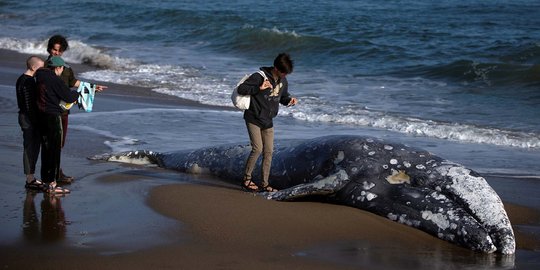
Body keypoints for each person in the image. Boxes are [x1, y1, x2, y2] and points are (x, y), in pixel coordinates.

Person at [46, 35, 107, 183]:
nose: (57, 53)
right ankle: (52, 175)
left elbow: (73, 82)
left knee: (60, 143)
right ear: (49, 49)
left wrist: (92, 88)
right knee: (49, 143)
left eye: (60, 51)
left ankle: (56, 172)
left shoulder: (66, 69)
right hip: (48, 111)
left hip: (64, 111)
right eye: (55, 50)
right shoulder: (43, 68)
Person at [236, 53, 298, 192]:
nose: (285, 75)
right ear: (276, 68)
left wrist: (289, 101)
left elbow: (282, 97)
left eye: (286, 73)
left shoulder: (283, 81)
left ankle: (264, 183)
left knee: (269, 152)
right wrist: (259, 88)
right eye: (283, 72)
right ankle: (246, 180)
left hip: (268, 120)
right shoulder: (259, 76)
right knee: (257, 149)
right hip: (254, 117)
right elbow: (242, 89)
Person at [35, 56, 79, 194]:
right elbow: (69, 97)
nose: (62, 70)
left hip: (41, 117)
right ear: (58, 68)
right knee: (54, 151)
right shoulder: (54, 79)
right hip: (53, 117)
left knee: (46, 150)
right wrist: (79, 93)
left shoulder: (39, 77)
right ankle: (52, 185)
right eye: (62, 68)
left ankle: (45, 182)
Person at [16, 56, 45, 190]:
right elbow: (29, 104)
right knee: (30, 147)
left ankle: (31, 177)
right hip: (28, 118)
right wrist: (37, 121)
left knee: (30, 147)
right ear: (33, 67)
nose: (42, 71)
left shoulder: (21, 79)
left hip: (24, 116)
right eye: (40, 68)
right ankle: (30, 179)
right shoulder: (29, 82)